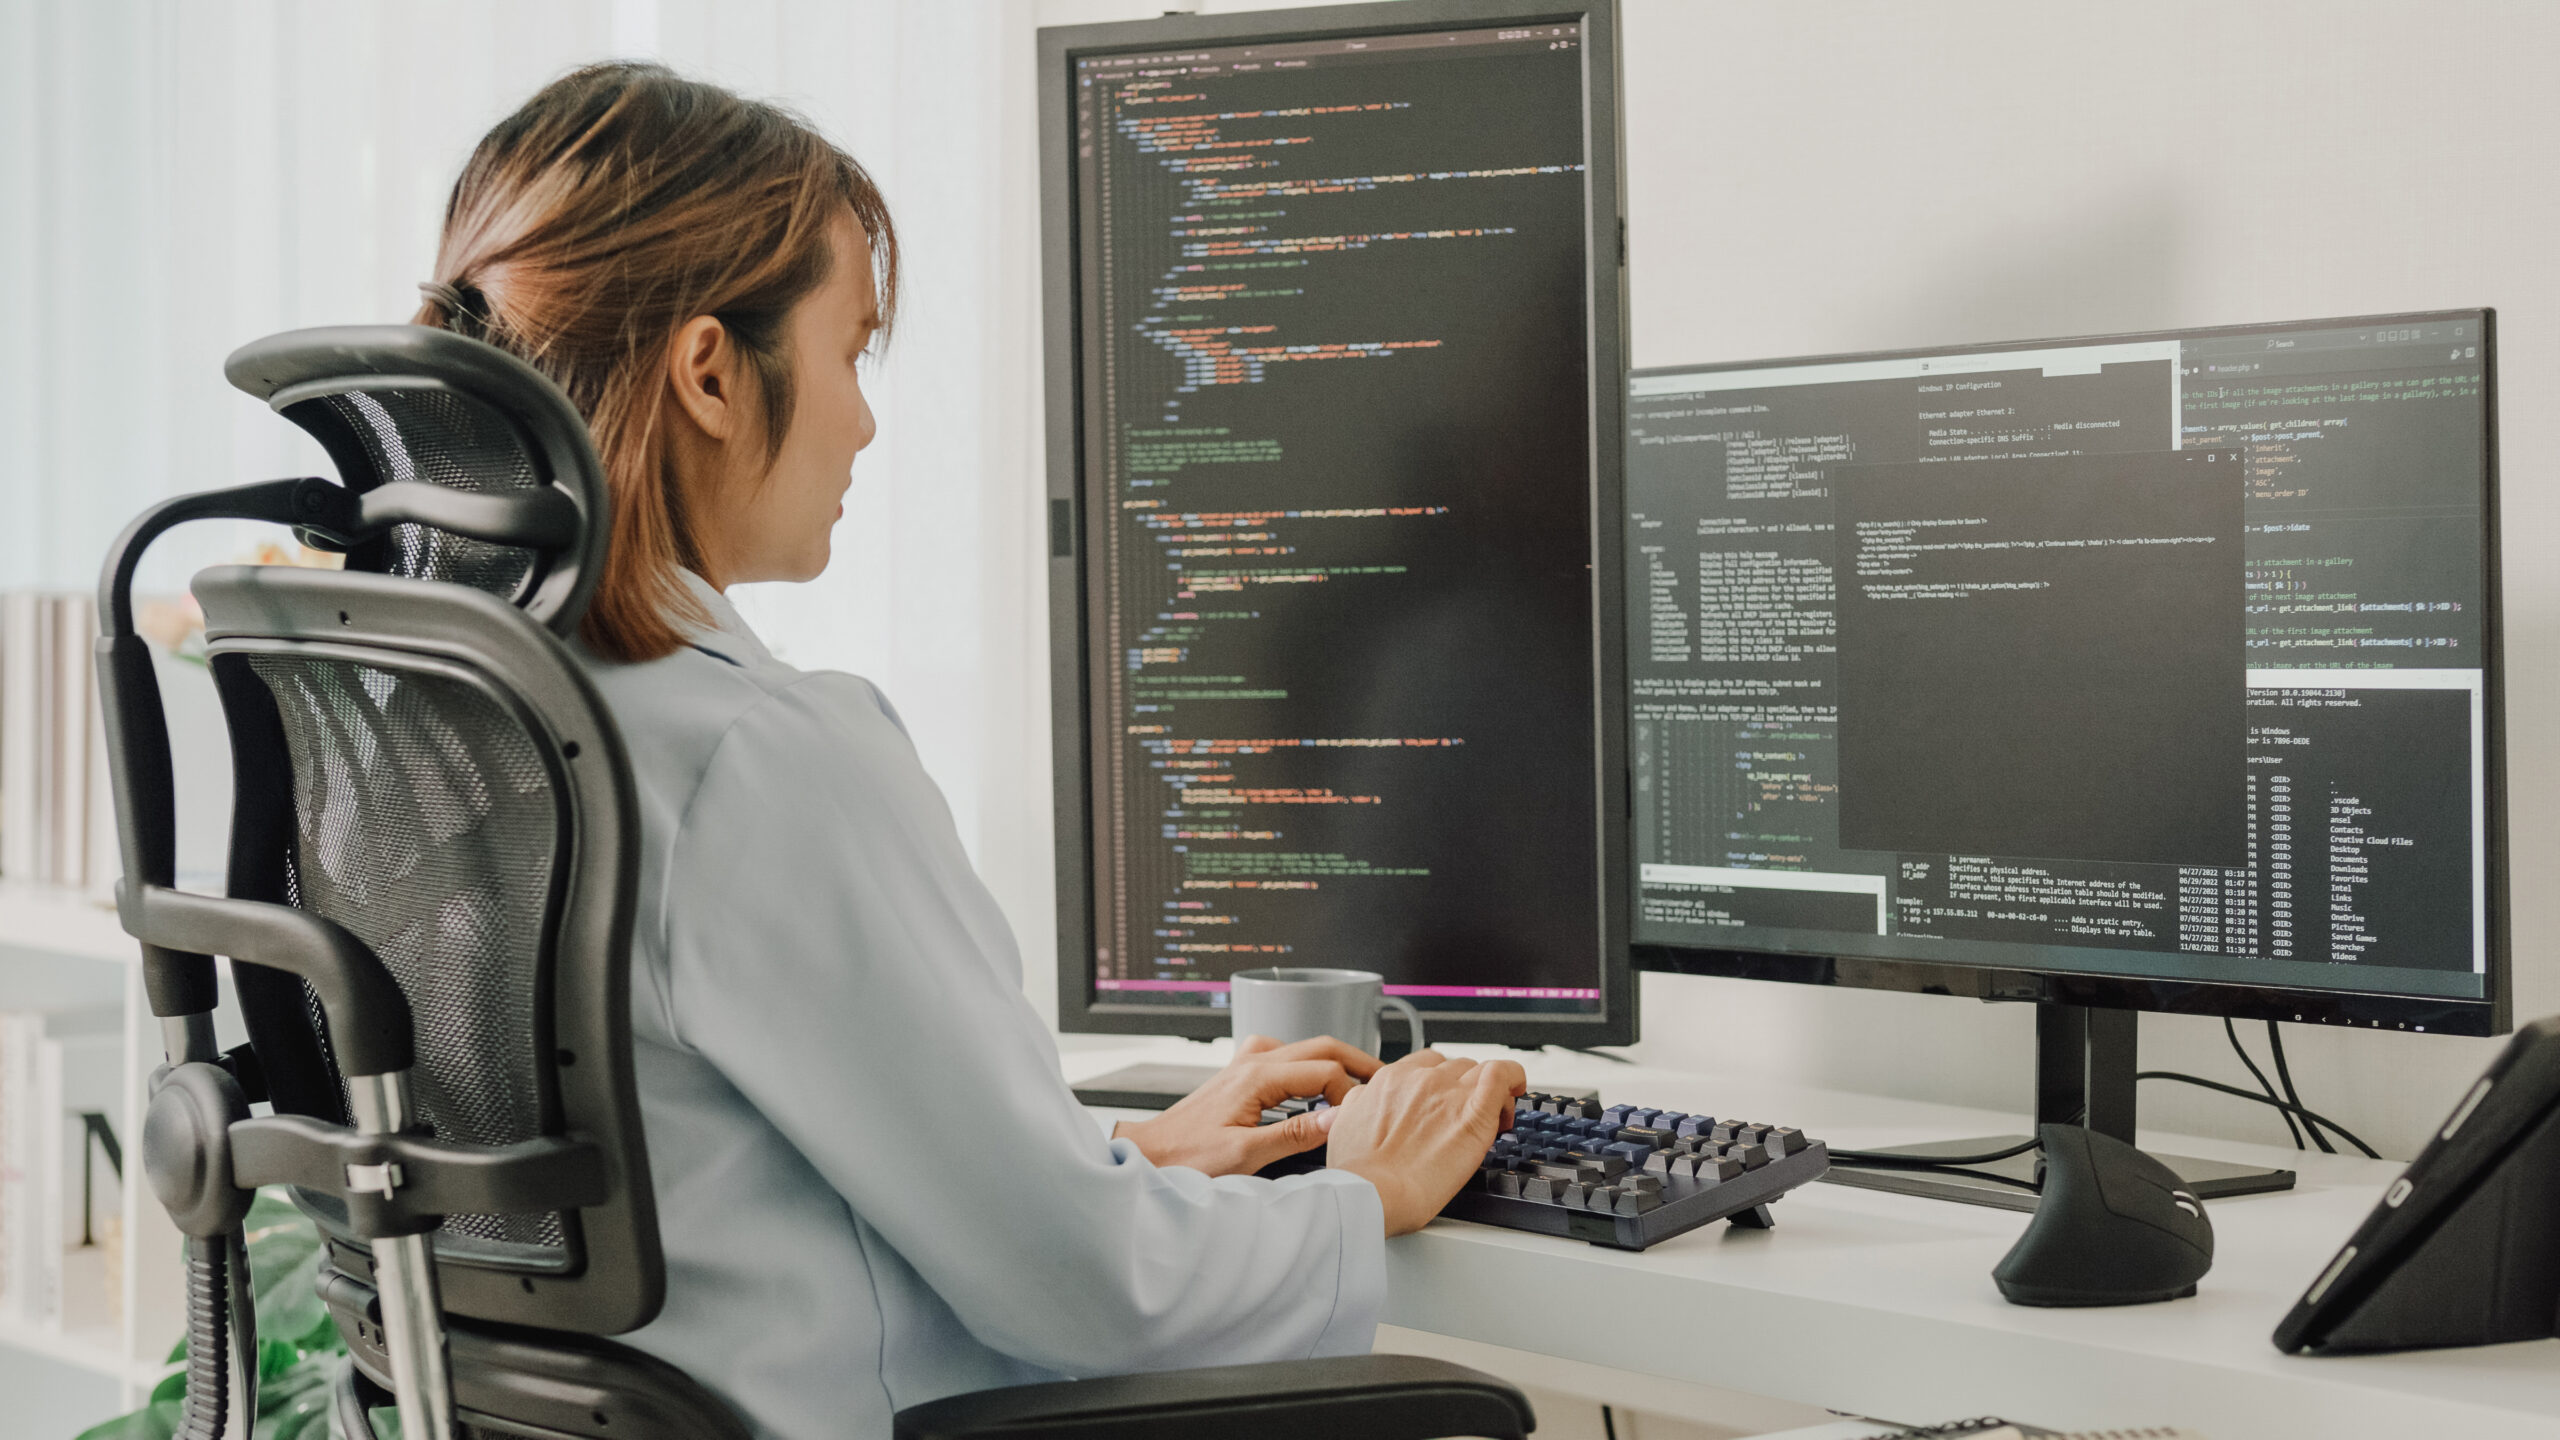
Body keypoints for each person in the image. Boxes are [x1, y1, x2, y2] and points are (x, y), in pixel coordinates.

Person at [410, 63, 1528, 1440]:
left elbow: (707, 1182)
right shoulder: (759, 753)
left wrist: (1103, 1155)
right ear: (710, 370)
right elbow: (1096, 1298)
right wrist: (1369, 1192)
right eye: (848, 352)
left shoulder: (438, 724)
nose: (864, 420)